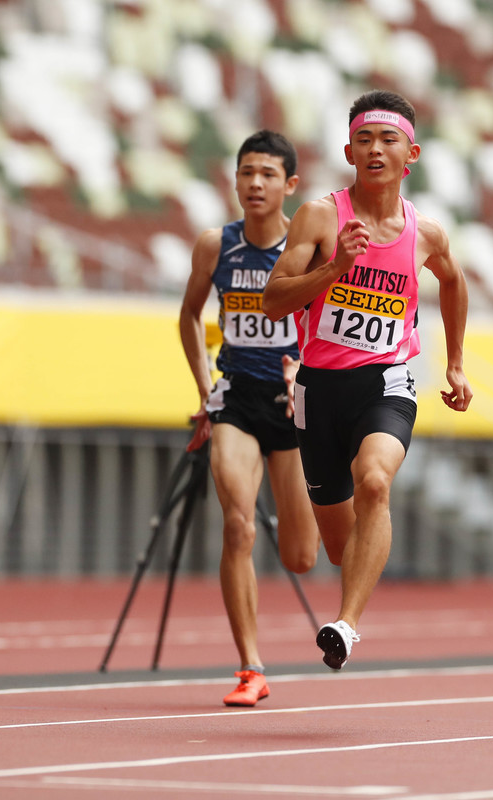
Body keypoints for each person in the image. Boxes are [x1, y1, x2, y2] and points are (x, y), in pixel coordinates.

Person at [261, 89, 472, 670]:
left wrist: (454, 361)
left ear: (413, 153)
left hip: (386, 380)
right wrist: (335, 269)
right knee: (338, 545)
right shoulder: (321, 217)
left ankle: (346, 625)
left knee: (375, 481)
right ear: (349, 152)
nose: (375, 149)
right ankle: (353, 578)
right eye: (364, 140)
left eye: (388, 139)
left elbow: (453, 283)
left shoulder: (425, 233)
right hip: (318, 390)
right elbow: (274, 300)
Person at [179, 130, 319, 706]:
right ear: (234, 180)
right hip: (235, 397)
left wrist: (304, 371)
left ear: (289, 185)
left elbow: (330, 327)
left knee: (300, 557)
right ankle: (250, 668)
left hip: (291, 406)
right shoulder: (217, 247)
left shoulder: (311, 249)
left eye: (266, 174)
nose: (254, 184)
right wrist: (206, 387)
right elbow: (188, 316)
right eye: (245, 173)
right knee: (237, 525)